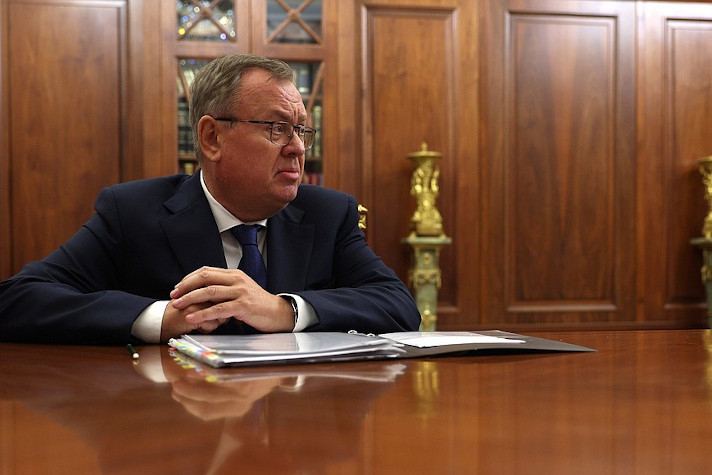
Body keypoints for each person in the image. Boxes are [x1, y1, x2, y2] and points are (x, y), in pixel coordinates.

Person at [0, 53, 421, 344]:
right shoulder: (132, 212)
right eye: (277, 128)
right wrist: (161, 318)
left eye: (301, 130)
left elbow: (398, 305)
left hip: (293, 423)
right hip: (177, 421)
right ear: (211, 137)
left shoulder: (328, 213)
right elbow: (17, 300)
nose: (297, 148)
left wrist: (285, 310)